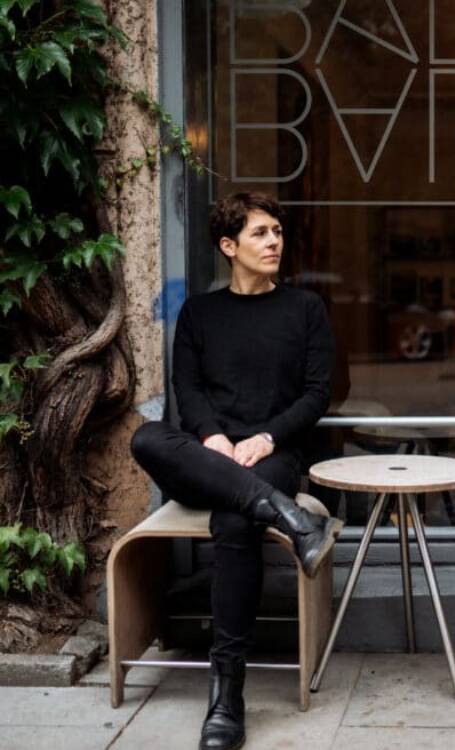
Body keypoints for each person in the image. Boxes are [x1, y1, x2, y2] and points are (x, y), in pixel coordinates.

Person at [130, 192, 336, 750]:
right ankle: (289, 518)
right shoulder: (200, 312)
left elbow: (318, 394)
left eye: (277, 232)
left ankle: (227, 691)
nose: (274, 242)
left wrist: (265, 436)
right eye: (260, 233)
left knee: (235, 520)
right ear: (229, 246)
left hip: (274, 455)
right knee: (148, 436)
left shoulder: (305, 310)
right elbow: (188, 390)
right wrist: (214, 438)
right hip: (207, 456)